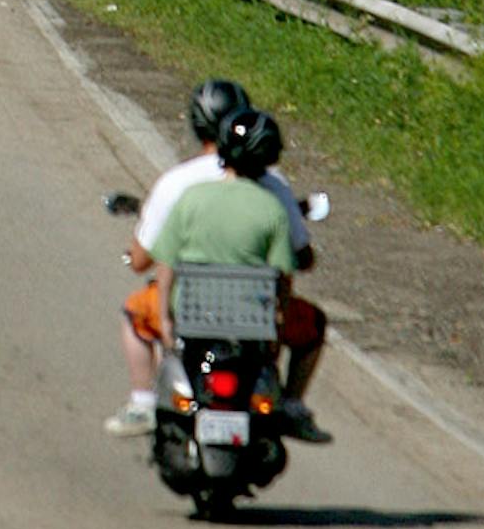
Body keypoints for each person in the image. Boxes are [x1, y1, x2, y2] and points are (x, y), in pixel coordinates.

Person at [109, 78, 329, 443]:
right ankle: (292, 406)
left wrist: (165, 315)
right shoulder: (274, 194)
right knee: (314, 324)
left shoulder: (183, 188)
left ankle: (143, 402)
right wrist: (275, 321)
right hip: (255, 316)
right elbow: (291, 266)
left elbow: (152, 262)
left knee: (135, 313)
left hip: (190, 310)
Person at [152, 106, 293, 343]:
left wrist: (165, 319)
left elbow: (166, 264)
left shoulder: (191, 198)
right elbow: (283, 276)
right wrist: (278, 326)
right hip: (250, 324)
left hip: (191, 317)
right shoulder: (273, 209)